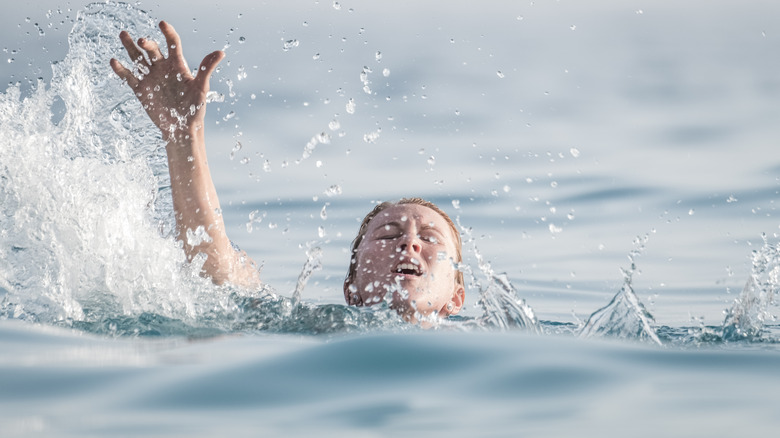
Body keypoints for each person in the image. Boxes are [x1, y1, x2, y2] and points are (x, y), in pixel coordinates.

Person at [110, 21, 465, 324]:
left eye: (430, 238)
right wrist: (183, 135)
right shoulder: (320, 328)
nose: (409, 242)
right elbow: (219, 277)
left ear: (456, 298)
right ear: (352, 290)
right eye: (387, 235)